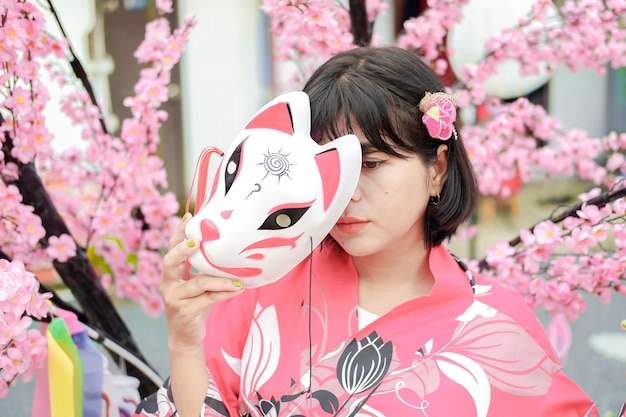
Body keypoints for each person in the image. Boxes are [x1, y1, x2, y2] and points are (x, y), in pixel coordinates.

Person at [135, 46, 598, 417]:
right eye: (326, 170)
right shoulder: (259, 287)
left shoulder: (496, 326)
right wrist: (184, 340)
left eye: (371, 164)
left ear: (436, 168)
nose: (346, 194)